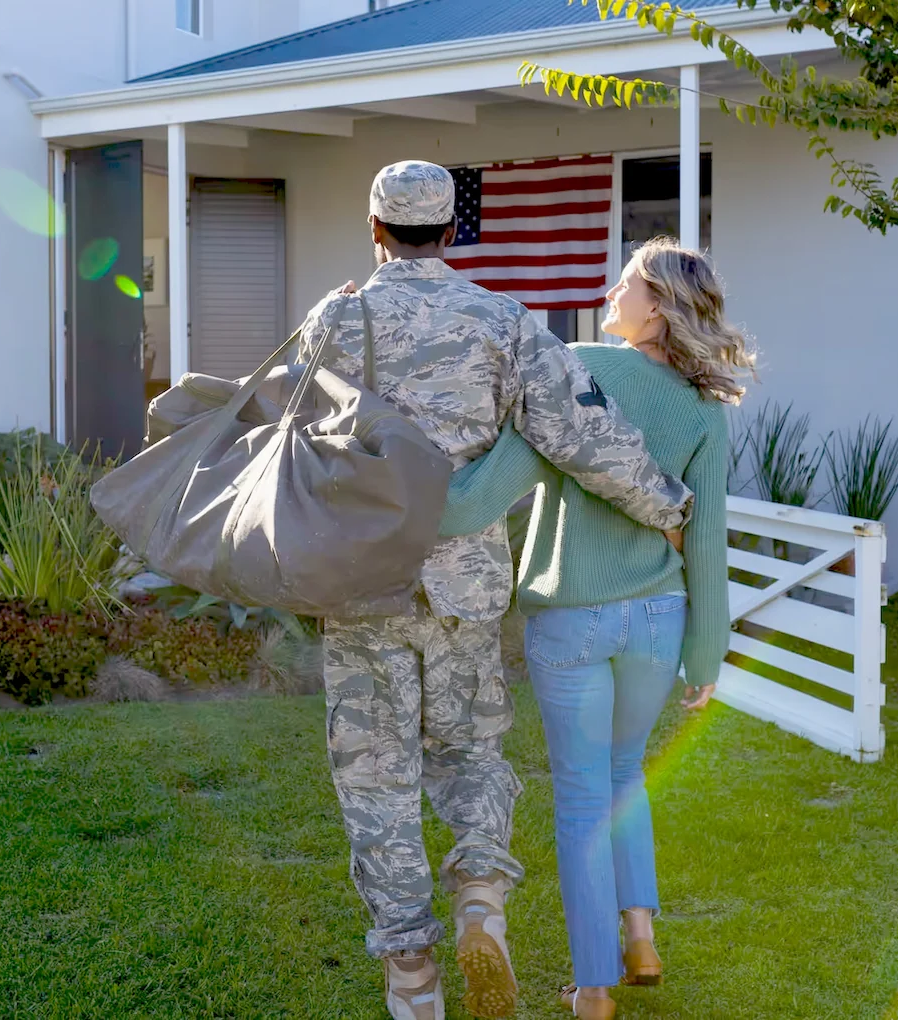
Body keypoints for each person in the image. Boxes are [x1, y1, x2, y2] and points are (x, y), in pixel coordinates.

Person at [297, 162, 693, 1020]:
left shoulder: (334, 318)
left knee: (377, 778)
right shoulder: (504, 323)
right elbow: (582, 431)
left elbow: (300, 447)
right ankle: (481, 900)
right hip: (465, 589)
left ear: (374, 229)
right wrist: (668, 507)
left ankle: (412, 975)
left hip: (364, 584)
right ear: (450, 231)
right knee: (472, 754)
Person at [441, 238, 757, 1019]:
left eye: (629, 283)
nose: (611, 291)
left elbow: (476, 501)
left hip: (574, 618)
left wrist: (404, 487)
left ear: (660, 308)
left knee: (583, 797)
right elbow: (708, 540)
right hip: (659, 620)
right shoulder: (704, 408)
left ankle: (592, 989)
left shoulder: (577, 369)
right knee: (623, 775)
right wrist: (706, 653)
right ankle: (641, 934)